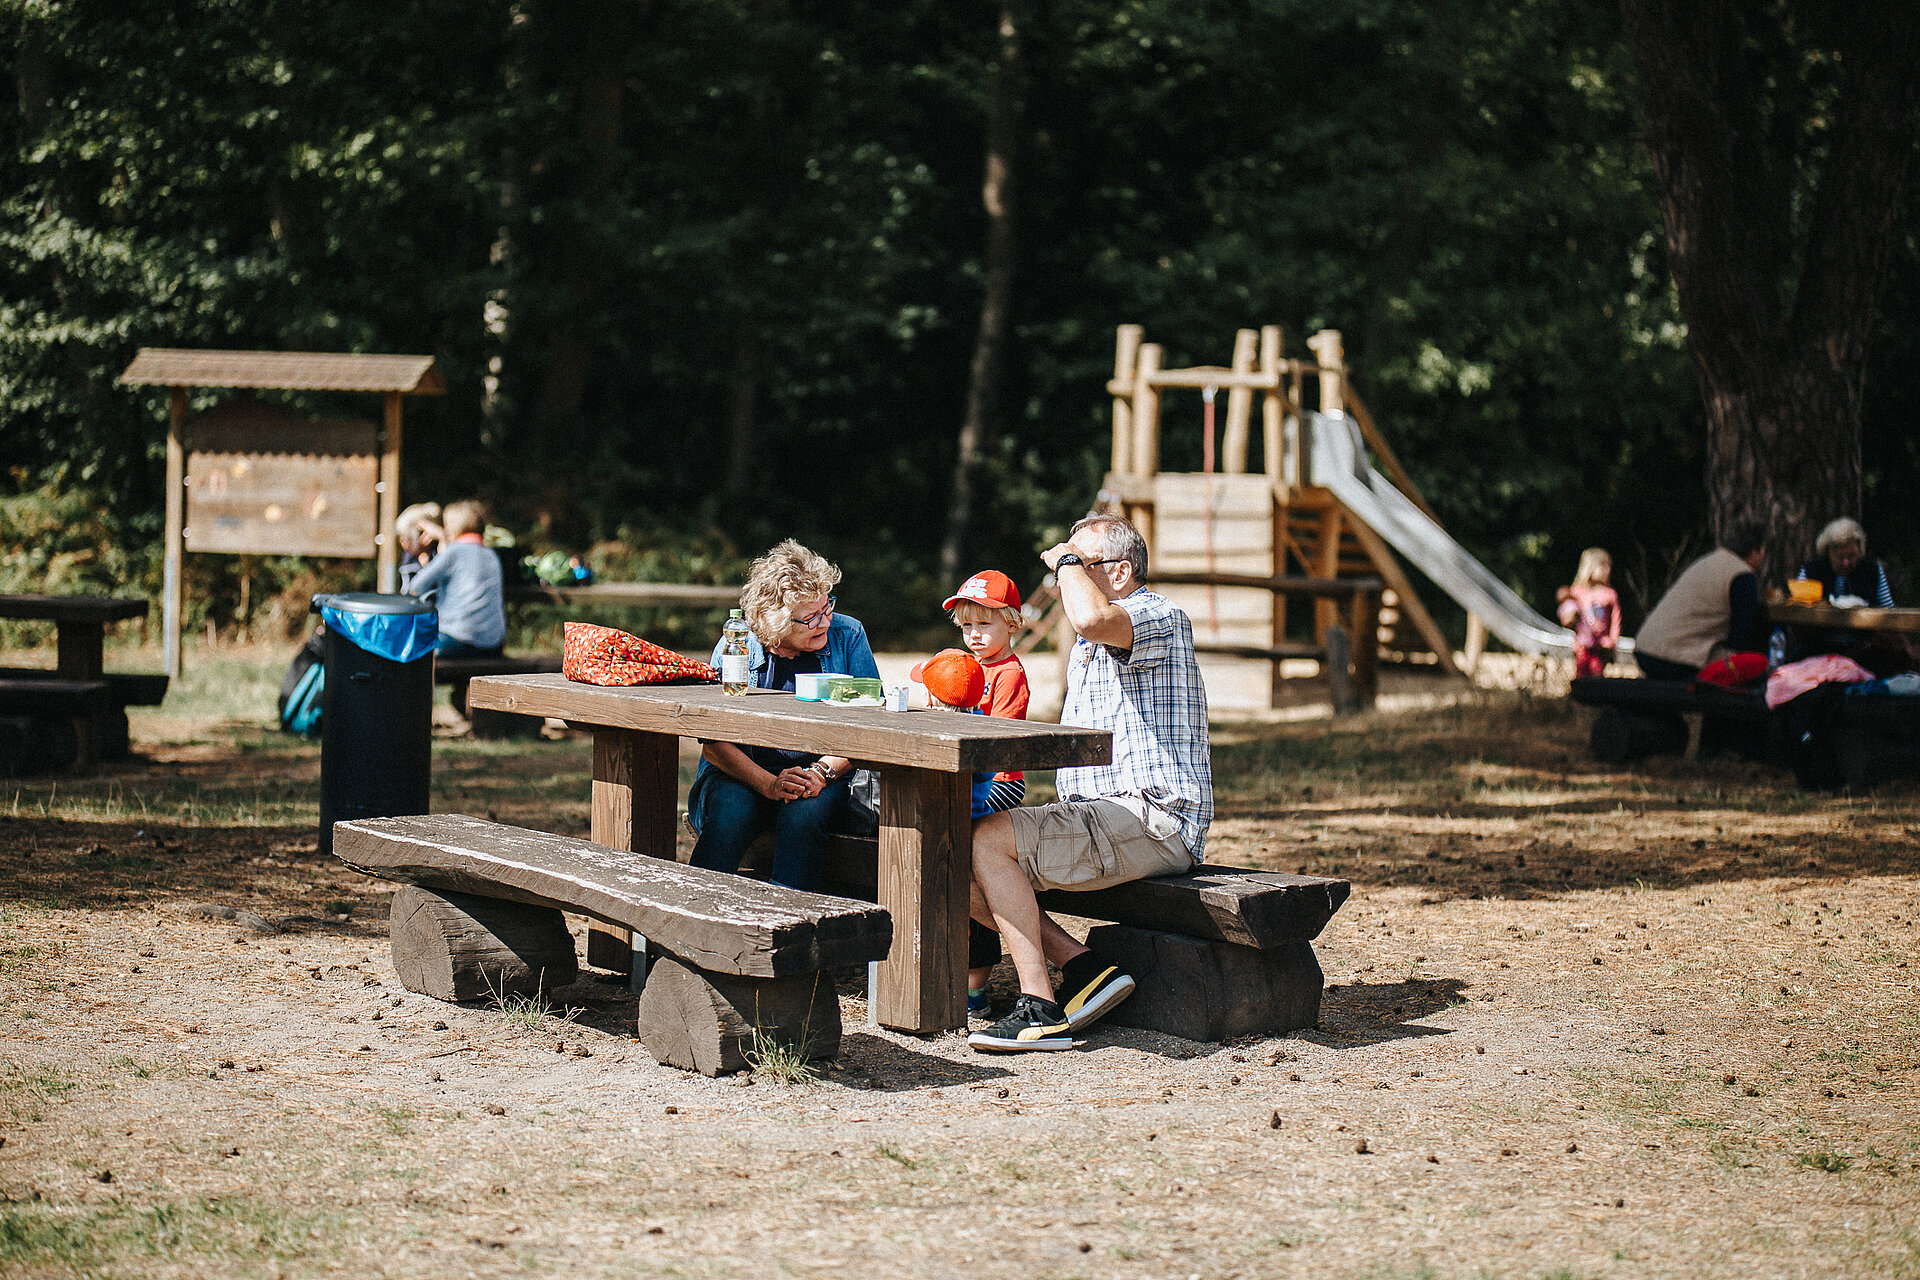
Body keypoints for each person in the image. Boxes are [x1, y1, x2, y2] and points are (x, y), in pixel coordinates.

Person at [966, 514, 1211, 1053]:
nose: (1061, 572)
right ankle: (1084, 968)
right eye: (1062, 564)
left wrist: (1069, 563)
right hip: (1102, 815)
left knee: (986, 840)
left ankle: (1041, 1008)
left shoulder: (1158, 616)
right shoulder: (1094, 633)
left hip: (1153, 818)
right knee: (949, 854)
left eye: (1075, 562)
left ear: (1120, 572)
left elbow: (1091, 619)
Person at [686, 539, 880, 890]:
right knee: (732, 811)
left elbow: (872, 725)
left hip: (822, 773)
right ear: (774, 622)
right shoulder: (736, 645)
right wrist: (770, 784)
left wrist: (820, 772)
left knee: (804, 813)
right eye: (810, 618)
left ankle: (787, 927)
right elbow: (714, 743)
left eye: (827, 607)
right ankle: (690, 913)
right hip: (742, 773)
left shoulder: (848, 635)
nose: (825, 621)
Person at [937, 569, 1034, 1015]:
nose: (975, 635)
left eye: (986, 624)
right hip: (968, 778)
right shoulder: (965, 668)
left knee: (962, 854)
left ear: (1011, 623)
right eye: (968, 626)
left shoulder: (1008, 675)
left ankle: (975, 984)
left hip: (998, 783)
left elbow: (1000, 741)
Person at [1633, 522, 1768, 682]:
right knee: (1757, 668)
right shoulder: (1741, 575)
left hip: (1647, 648)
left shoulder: (1708, 561)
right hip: (1678, 657)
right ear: (1754, 552)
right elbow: (1740, 635)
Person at [405, 498, 505, 658]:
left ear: (452, 528)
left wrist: (439, 545)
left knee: (412, 648)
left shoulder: (455, 552)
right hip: (492, 644)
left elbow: (416, 585)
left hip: (457, 640)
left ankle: (428, 684)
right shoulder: (491, 554)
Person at [1798, 518, 1894, 608]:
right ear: (1828, 553)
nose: (1846, 563)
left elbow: (1889, 611)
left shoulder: (1873, 571)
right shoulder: (1810, 571)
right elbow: (1798, 610)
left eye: (1851, 556)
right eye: (1840, 557)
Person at [1556, 547, 1621, 679]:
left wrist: (1613, 640)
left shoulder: (1609, 594)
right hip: (1583, 644)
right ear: (1590, 568)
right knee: (1581, 674)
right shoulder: (1577, 592)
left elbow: (1616, 619)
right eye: (1603, 567)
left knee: (1597, 675)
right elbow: (1567, 611)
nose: (1607, 571)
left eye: (1608, 567)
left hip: (1601, 645)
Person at [394, 502, 444, 595]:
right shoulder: (409, 559)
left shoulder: (440, 552)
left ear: (425, 535)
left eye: (407, 540)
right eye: (400, 540)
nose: (403, 546)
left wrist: (442, 536)